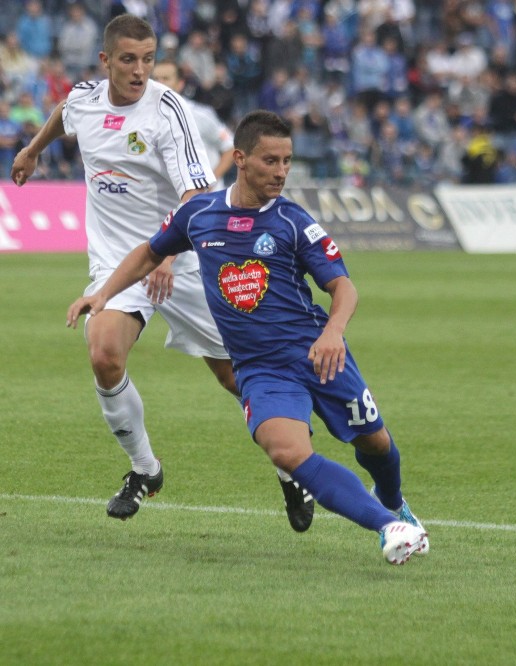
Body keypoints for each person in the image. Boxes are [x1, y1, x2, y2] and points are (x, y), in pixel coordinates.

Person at [67, 110, 429, 565]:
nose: (281, 172)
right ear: (240, 158)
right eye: (270, 161)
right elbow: (148, 252)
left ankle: (395, 503)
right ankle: (387, 526)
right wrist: (102, 295)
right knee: (287, 451)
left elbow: (343, 286)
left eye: (287, 161)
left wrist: (334, 332)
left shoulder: (293, 222)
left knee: (376, 445)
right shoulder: (199, 215)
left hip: (319, 354)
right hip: (261, 369)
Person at [10, 15, 313, 531]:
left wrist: (169, 255)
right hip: (117, 262)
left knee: (234, 377)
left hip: (186, 257)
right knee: (104, 353)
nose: (140, 70)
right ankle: (145, 470)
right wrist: (34, 149)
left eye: (148, 60)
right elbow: (66, 111)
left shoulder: (167, 111)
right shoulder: (85, 97)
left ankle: (291, 470)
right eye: (128, 59)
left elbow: (195, 194)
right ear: (106, 60)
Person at [152, 60, 235, 189]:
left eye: (165, 78)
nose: (159, 84)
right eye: (155, 79)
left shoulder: (199, 114)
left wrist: (210, 181)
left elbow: (229, 148)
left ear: (180, 84)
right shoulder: (148, 118)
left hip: (207, 201)